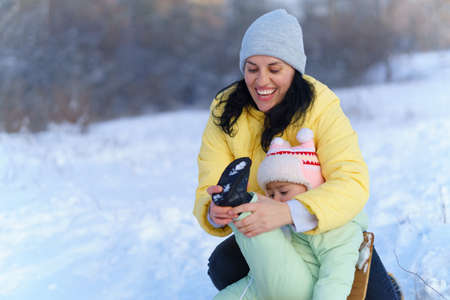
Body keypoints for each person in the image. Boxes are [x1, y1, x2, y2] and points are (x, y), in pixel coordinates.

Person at [193, 8, 400, 300]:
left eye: (274, 69)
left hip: (325, 231)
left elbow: (352, 182)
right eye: (252, 69)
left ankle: (385, 284)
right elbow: (210, 181)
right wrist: (215, 211)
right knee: (223, 267)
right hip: (267, 233)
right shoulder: (226, 110)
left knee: (378, 298)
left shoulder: (320, 105)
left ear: (294, 68)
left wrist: (289, 211)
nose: (261, 81)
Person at [214, 128, 368, 299]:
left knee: (259, 225)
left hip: (301, 290)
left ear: (310, 186)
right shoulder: (281, 218)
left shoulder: (333, 223)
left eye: (284, 192)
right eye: (271, 195)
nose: (277, 200)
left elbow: (335, 276)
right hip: (261, 283)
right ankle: (236, 205)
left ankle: (239, 204)